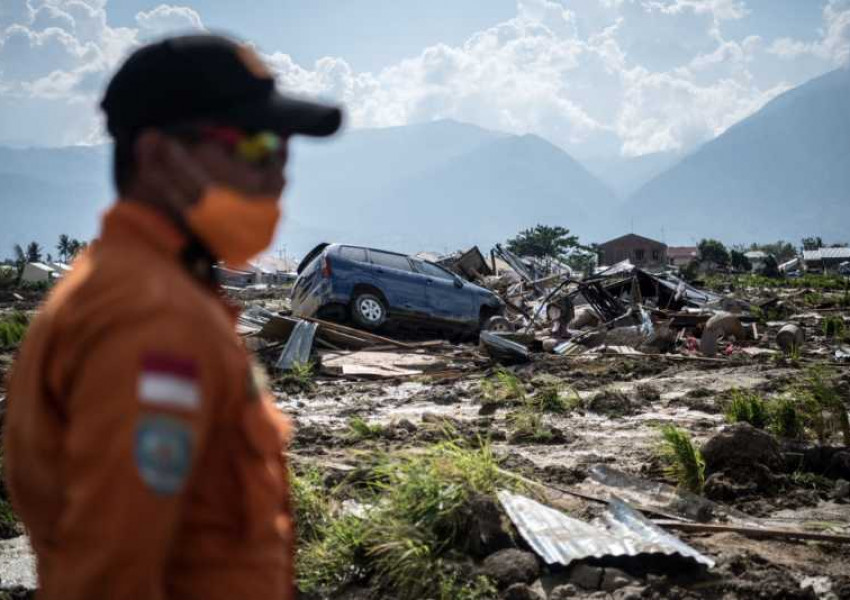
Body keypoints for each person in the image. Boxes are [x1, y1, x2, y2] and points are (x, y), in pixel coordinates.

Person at [2, 33, 341, 600]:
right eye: (256, 146)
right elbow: (111, 577)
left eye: (284, 150)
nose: (279, 173)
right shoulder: (151, 318)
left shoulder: (141, 286)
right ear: (159, 155)